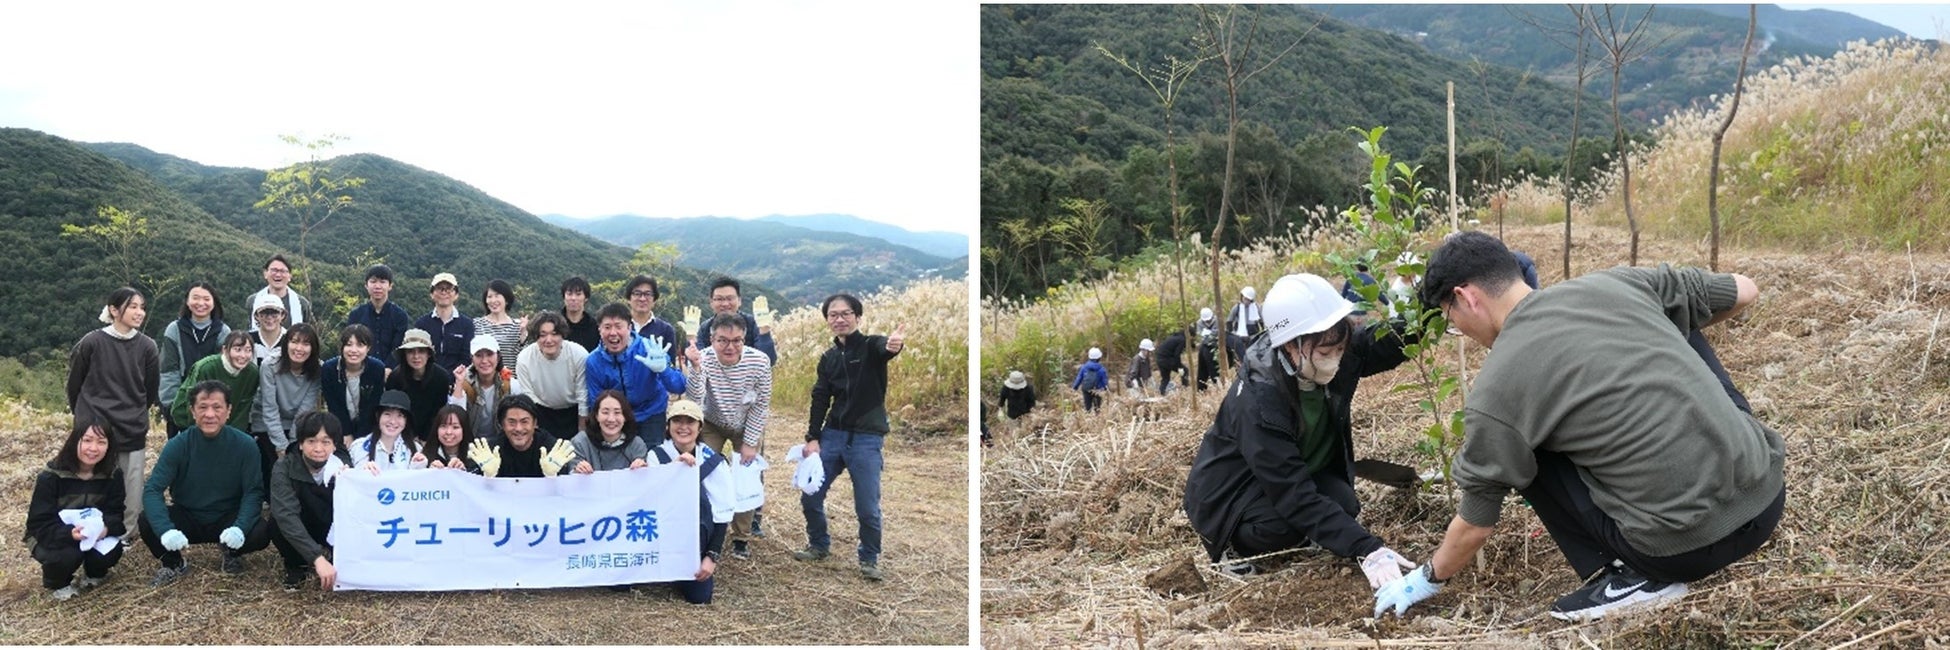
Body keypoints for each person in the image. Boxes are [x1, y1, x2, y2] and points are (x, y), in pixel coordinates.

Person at [1374, 231, 1785, 622]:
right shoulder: (1619, 284)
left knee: (1520, 444)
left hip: (1680, 552)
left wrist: (1424, 579)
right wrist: (1660, 337)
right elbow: (1744, 289)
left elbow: (1477, 522)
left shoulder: (1499, 388)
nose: (1459, 331)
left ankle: (1628, 576)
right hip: (1766, 501)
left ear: (1466, 298)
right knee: (1680, 308)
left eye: (1451, 319)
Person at [1183, 273, 1419, 581]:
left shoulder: (1329, 354)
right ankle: (1233, 548)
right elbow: (1293, 493)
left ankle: (1305, 532)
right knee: (1279, 527)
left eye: (1339, 350)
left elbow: (1385, 343)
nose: (1333, 361)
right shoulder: (1260, 399)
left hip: (1292, 472)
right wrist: (1368, 548)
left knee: (1345, 503)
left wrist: (1435, 305)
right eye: (1323, 353)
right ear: (1291, 346)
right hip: (1232, 495)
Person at [795, 293, 903, 581]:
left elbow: (887, 348)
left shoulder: (871, 346)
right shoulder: (829, 358)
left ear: (857, 316)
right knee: (810, 496)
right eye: (833, 315)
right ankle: (819, 545)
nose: (839, 319)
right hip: (832, 436)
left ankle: (869, 559)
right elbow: (820, 398)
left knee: (867, 507)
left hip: (867, 439)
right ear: (827, 320)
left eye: (845, 313)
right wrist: (812, 437)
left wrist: (894, 346)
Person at [141, 380, 273, 585]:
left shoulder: (245, 445)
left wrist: (239, 527)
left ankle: (231, 552)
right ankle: (174, 562)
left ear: (228, 411)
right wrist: (165, 529)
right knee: (147, 521)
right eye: (202, 407)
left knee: (261, 530)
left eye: (217, 407)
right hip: (188, 516)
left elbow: (253, 492)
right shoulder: (179, 445)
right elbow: (153, 489)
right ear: (193, 411)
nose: (210, 414)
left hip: (227, 517)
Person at [681, 312, 774, 559]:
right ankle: (703, 526)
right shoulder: (704, 358)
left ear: (744, 339)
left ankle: (741, 536)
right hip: (712, 421)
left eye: (736, 341)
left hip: (745, 423)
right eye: (722, 340)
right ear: (712, 339)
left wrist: (750, 442)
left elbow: (761, 404)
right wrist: (696, 367)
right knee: (703, 470)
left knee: (745, 474)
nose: (729, 347)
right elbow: (694, 398)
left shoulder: (759, 361)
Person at [67, 287, 159, 528]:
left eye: (142, 307)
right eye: (133, 306)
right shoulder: (92, 342)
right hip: (94, 428)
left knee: (132, 486)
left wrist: (136, 413)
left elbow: (150, 390)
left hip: (132, 428)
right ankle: (89, 529)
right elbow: (74, 385)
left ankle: (126, 532)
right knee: (92, 482)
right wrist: (83, 419)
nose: (140, 312)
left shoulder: (147, 347)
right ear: (114, 310)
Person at [24, 418, 127, 601]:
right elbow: (38, 523)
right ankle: (58, 582)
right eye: (87, 440)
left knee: (112, 550)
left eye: (101, 442)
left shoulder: (113, 474)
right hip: (52, 533)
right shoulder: (52, 476)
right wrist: (69, 534)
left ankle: (94, 573)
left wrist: (106, 529)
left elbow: (116, 513)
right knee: (65, 556)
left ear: (109, 446)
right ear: (75, 441)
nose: (93, 448)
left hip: (93, 533)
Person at [652, 399, 733, 604]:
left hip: (697, 541)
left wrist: (711, 557)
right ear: (668, 426)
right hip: (663, 539)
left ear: (700, 427)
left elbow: (722, 513)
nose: (683, 427)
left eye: (690, 421)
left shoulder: (714, 461)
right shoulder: (656, 456)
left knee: (699, 597)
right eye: (677, 420)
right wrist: (673, 470)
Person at [268, 411, 352, 591]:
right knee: (277, 522)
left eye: (326, 442)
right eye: (311, 441)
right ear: (300, 444)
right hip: (302, 523)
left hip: (329, 527)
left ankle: (336, 559)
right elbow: (286, 515)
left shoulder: (345, 468)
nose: (318, 448)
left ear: (335, 445)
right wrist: (316, 557)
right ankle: (295, 565)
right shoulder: (284, 467)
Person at [586, 302, 687, 446]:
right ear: (600, 330)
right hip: (616, 417)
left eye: (619, 326)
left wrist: (663, 370)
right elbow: (595, 401)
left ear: (629, 328)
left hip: (651, 413)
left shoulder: (649, 349)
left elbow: (678, 386)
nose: (613, 333)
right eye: (607, 327)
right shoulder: (594, 361)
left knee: (650, 461)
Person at [158, 282, 230, 438]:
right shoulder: (174, 329)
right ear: (187, 301)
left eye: (206, 299)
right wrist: (172, 406)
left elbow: (224, 370)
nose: (201, 303)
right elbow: (169, 369)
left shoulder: (223, 331)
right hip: (180, 401)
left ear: (214, 302)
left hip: (213, 406)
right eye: (195, 298)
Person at [258, 322, 322, 487]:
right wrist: (281, 446)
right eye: (294, 341)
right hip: (267, 424)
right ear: (286, 343)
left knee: (300, 464)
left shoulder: (318, 369)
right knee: (275, 468)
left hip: (298, 424)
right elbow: (269, 408)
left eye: (306, 344)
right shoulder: (270, 365)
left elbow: (305, 409)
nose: (299, 348)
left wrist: (293, 444)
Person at [513, 311, 588, 439]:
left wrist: (582, 433)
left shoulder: (579, 354)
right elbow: (528, 397)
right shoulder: (524, 358)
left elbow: (583, 396)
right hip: (541, 412)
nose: (549, 340)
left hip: (573, 412)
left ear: (562, 335)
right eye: (542, 335)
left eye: (554, 334)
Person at [169, 331, 260, 436]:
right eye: (237, 350)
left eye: (248, 350)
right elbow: (193, 404)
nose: (243, 355)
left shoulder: (252, 373)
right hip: (190, 423)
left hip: (227, 430)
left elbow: (242, 411)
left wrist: (232, 436)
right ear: (225, 350)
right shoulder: (206, 368)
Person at [466, 394, 577, 478]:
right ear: (502, 425)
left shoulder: (553, 449)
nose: (518, 428)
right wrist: (487, 476)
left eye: (524, 421)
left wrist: (554, 476)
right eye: (512, 422)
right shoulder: (489, 451)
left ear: (535, 423)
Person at [685, 277, 778, 366]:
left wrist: (764, 330)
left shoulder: (753, 323)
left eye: (730, 298)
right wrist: (691, 339)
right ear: (711, 302)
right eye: (719, 299)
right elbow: (693, 364)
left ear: (739, 300)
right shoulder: (705, 328)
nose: (725, 304)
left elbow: (768, 361)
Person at [322, 324, 387, 448]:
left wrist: (361, 438)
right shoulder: (329, 369)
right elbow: (334, 405)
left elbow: (373, 405)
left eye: (360, 345)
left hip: (368, 427)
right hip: (339, 425)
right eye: (349, 344)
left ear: (368, 348)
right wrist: (346, 433)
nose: (353, 350)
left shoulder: (377, 368)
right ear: (342, 347)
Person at [386, 328, 453, 440]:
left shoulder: (441, 378)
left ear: (429, 354)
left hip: (432, 434)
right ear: (405, 354)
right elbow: (393, 411)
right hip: (400, 433)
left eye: (421, 351)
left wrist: (425, 439)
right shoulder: (395, 378)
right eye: (411, 351)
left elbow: (438, 412)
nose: (416, 356)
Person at [344, 264, 412, 371]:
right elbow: (351, 344)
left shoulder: (400, 316)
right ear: (366, 285)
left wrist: (387, 368)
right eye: (373, 281)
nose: (377, 286)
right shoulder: (356, 315)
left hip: (392, 372)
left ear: (390, 286)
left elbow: (398, 347)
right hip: (361, 369)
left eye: (382, 282)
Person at [569, 389, 650, 473]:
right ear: (596, 415)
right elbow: (571, 480)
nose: (611, 419)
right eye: (605, 412)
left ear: (625, 416)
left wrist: (642, 470)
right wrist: (577, 471)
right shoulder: (580, 443)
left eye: (617, 412)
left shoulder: (637, 444)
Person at [449, 333, 511, 439]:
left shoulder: (510, 384)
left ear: (498, 357)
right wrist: (459, 383)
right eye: (478, 355)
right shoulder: (465, 383)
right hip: (470, 443)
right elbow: (455, 414)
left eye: (489, 354)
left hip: (502, 442)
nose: (484, 361)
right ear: (472, 358)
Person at [415, 272, 475, 374]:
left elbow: (466, 358)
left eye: (449, 289)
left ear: (456, 294)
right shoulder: (422, 324)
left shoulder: (467, 325)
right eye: (440, 288)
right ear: (432, 294)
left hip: (458, 380)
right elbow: (418, 356)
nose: (444, 292)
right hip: (427, 379)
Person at [351, 390, 423, 474]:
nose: (393, 421)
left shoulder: (416, 450)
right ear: (378, 416)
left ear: (406, 421)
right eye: (387, 414)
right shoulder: (358, 447)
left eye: (400, 416)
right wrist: (362, 473)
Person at [622, 275, 682, 361]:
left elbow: (670, 365)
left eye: (648, 294)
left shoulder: (666, 330)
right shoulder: (618, 326)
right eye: (637, 294)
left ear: (654, 300)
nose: (642, 298)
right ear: (628, 299)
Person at [247, 254, 312, 333]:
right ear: (265, 273)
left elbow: (305, 334)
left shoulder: (302, 304)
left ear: (289, 276)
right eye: (274, 270)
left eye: (283, 271)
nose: (278, 275)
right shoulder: (253, 301)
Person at [473, 279, 525, 373]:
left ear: (507, 299)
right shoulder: (476, 324)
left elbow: (523, 358)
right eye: (489, 296)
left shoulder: (517, 326)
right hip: (482, 383)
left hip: (509, 382)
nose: (493, 300)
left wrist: (523, 335)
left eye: (497, 296)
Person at [415, 405, 482, 473]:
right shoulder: (424, 458)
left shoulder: (477, 457)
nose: (449, 432)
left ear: (465, 429)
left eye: (455, 427)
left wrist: (464, 474)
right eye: (443, 426)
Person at [558, 276, 602, 354]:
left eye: (578, 294)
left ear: (586, 298)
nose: (573, 298)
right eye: (569, 294)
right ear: (564, 297)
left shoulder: (595, 326)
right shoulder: (555, 324)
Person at [248, 293, 289, 368]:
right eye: (264, 313)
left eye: (274, 313)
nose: (269, 317)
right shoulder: (248, 339)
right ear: (256, 316)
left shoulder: (290, 339)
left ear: (282, 315)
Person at [1225, 286, 1262, 367]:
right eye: (1245, 299)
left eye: (1248, 300)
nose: (1246, 301)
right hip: (1239, 335)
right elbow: (1229, 321)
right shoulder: (1237, 307)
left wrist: (1262, 331)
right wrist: (1231, 334)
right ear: (1242, 297)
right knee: (1240, 356)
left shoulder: (1256, 307)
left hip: (1253, 334)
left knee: (1253, 354)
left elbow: (1261, 320)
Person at [1070, 347, 1107, 412]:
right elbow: (1104, 381)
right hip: (1097, 390)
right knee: (1097, 407)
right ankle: (1097, 418)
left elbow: (1079, 378)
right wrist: (1105, 389)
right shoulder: (1101, 369)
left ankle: (1088, 418)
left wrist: (1075, 387)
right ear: (1099, 358)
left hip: (1086, 389)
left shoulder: (1084, 367)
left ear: (1089, 357)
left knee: (1088, 407)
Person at [1194, 307, 1221, 391]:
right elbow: (1199, 335)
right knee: (1202, 368)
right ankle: (1201, 388)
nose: (1207, 322)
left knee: (1214, 367)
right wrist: (1206, 336)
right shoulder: (1199, 323)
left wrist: (1211, 334)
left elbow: (1218, 332)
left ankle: (1218, 385)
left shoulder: (1217, 320)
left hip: (1216, 346)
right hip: (1205, 346)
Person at [1154, 330, 1188, 396]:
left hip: (1159, 359)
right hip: (1167, 360)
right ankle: (1185, 389)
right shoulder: (1182, 340)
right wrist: (1179, 367)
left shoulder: (1174, 337)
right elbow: (1177, 355)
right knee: (1185, 371)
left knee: (1165, 378)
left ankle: (1162, 393)